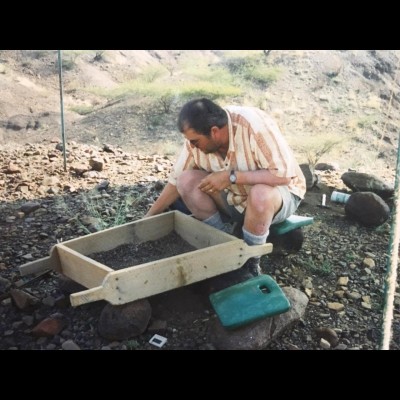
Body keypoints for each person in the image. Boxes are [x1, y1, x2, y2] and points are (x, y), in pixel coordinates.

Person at [146, 98, 306, 290]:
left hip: (277, 198)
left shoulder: (254, 126)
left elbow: (283, 176)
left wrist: (231, 177)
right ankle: (225, 247)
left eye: (195, 141)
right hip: (235, 199)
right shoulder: (196, 140)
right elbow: (175, 181)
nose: (192, 146)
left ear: (214, 131)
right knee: (186, 181)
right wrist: (148, 218)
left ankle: (250, 262)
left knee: (260, 194)